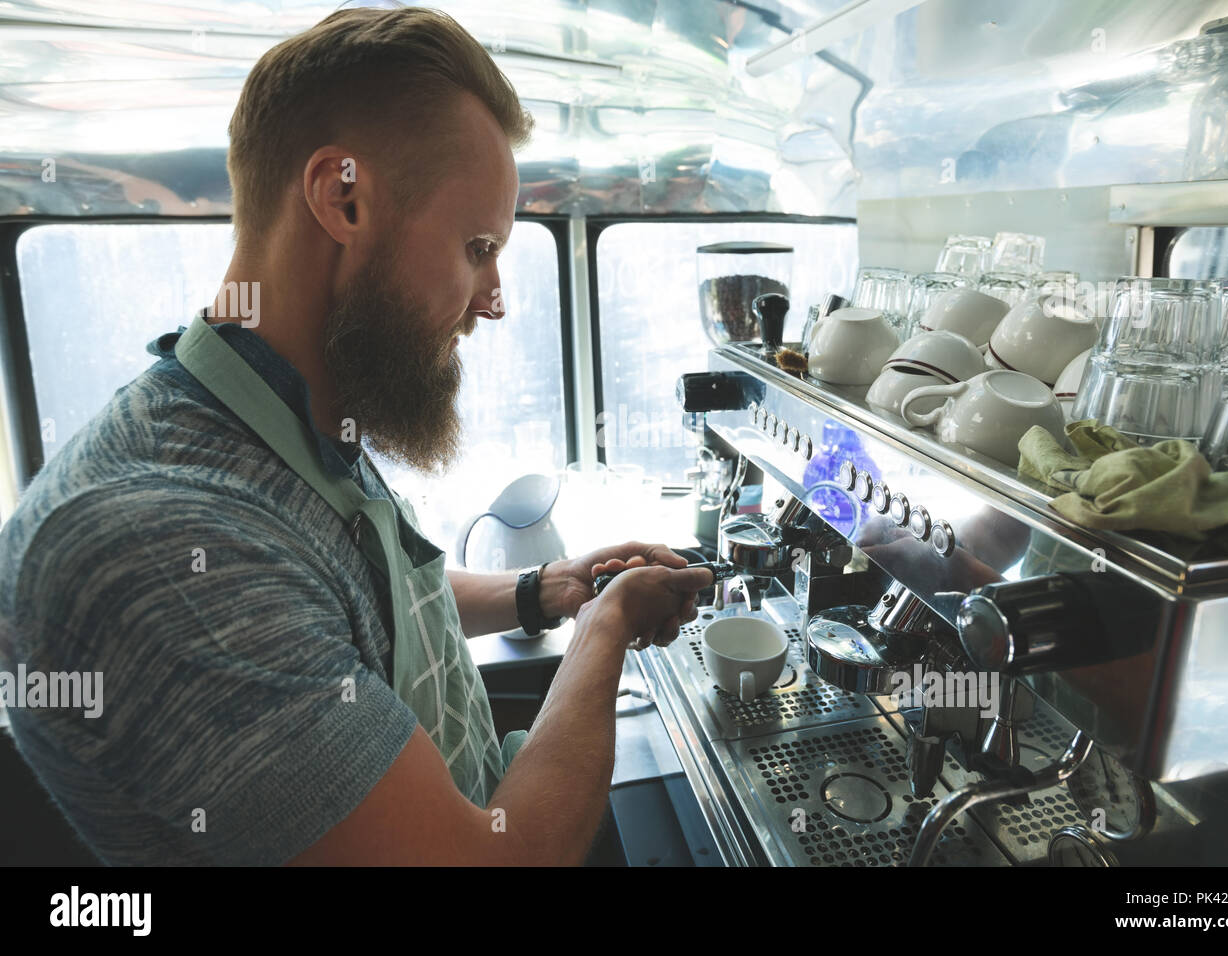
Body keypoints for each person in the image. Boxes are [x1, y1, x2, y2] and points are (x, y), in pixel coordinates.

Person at [0, 6, 711, 866]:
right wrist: (607, 632)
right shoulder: (155, 546)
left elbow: (348, 600)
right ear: (343, 199)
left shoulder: (280, 414)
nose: (495, 300)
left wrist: (543, 591)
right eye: (477, 246)